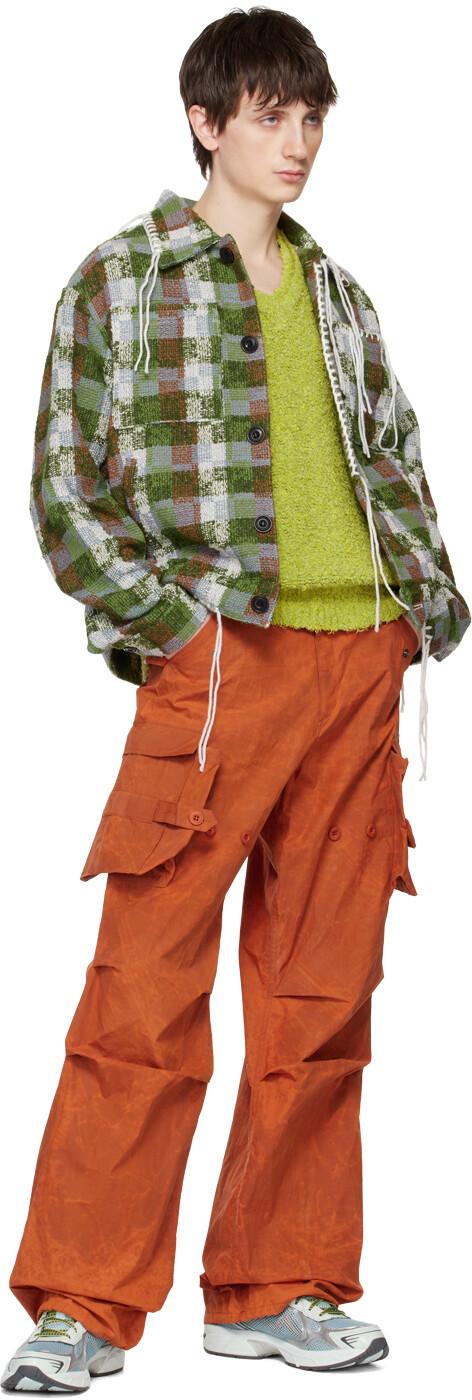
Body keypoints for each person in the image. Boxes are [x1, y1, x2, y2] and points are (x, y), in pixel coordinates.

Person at [3, 7, 470, 1390]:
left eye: (313, 117)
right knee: (145, 989)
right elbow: (64, 489)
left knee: (322, 996)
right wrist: (177, 631)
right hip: (220, 670)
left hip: (359, 664)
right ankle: (82, 1306)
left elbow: (395, 458)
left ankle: (273, 1288)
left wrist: (425, 608)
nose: (299, 142)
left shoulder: (341, 294)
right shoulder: (122, 278)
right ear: (206, 122)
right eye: (271, 116)